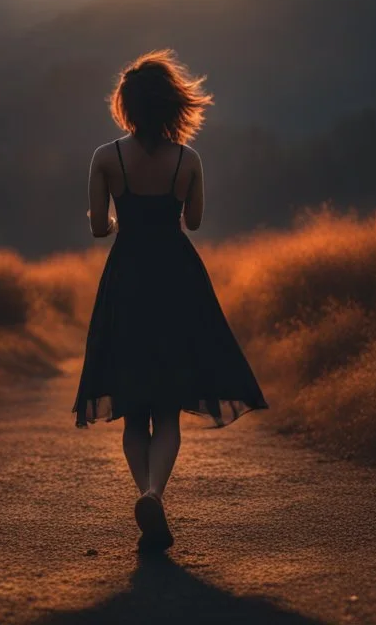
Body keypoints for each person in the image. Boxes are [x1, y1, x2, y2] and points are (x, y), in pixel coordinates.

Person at [72, 50, 267, 550]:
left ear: (127, 106)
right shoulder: (189, 161)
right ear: (172, 106)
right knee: (168, 410)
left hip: (128, 281)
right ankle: (156, 494)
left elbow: (99, 228)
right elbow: (194, 222)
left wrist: (119, 220)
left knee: (134, 410)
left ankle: (147, 494)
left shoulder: (105, 158)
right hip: (178, 281)